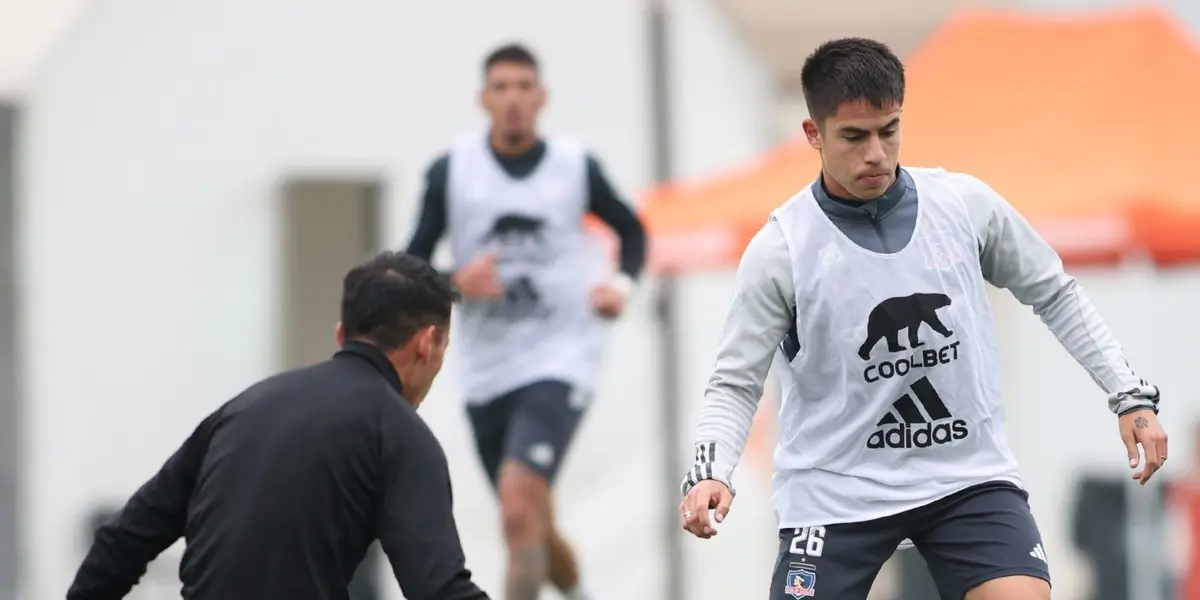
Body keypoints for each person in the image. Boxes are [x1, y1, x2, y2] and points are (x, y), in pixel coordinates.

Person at [677, 38, 1168, 600]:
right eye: (854, 137)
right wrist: (712, 470)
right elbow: (735, 381)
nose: (876, 154)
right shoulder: (781, 249)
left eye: (889, 130)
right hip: (835, 491)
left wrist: (1129, 395)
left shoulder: (964, 204)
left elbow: (1056, 293)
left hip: (966, 478)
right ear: (813, 136)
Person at [66, 251, 490, 600]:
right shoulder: (398, 432)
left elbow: (121, 542)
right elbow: (438, 591)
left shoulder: (242, 409)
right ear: (426, 343)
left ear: (342, 335)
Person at [404, 43, 647, 600]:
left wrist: (621, 286)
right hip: (486, 370)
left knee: (517, 512)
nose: (513, 98)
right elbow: (409, 267)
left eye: (523, 86)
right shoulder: (453, 171)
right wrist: (453, 282)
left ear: (541, 97)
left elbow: (633, 232)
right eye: (501, 87)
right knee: (530, 520)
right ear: (483, 99)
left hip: (562, 357)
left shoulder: (574, 166)